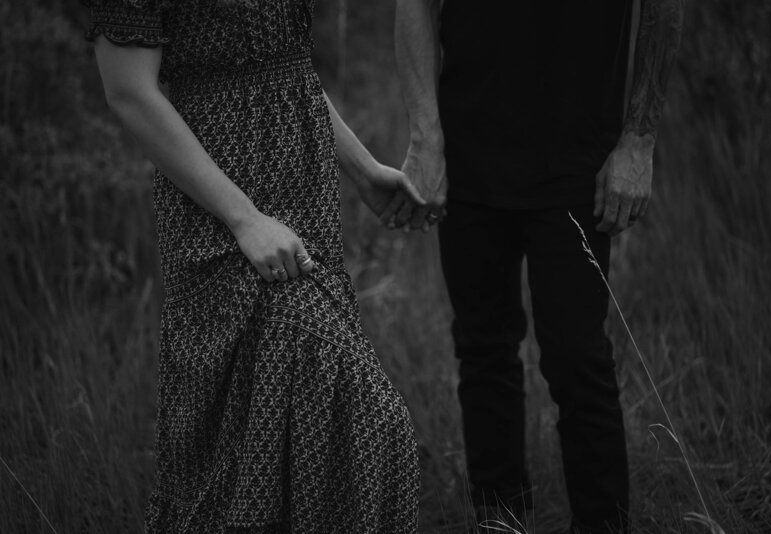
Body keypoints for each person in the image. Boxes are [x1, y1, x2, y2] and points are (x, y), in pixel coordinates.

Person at [83, 0, 422, 532]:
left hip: (303, 196)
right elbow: (129, 94)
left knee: (275, 439)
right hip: (220, 207)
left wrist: (362, 169)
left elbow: (285, 66)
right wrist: (246, 220)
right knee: (365, 421)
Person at [394, 0, 685, 532]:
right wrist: (426, 139)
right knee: (483, 346)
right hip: (468, 149)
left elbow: (663, 8)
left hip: (578, 159)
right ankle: (500, 518)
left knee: (577, 357)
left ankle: (602, 524)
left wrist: (639, 140)